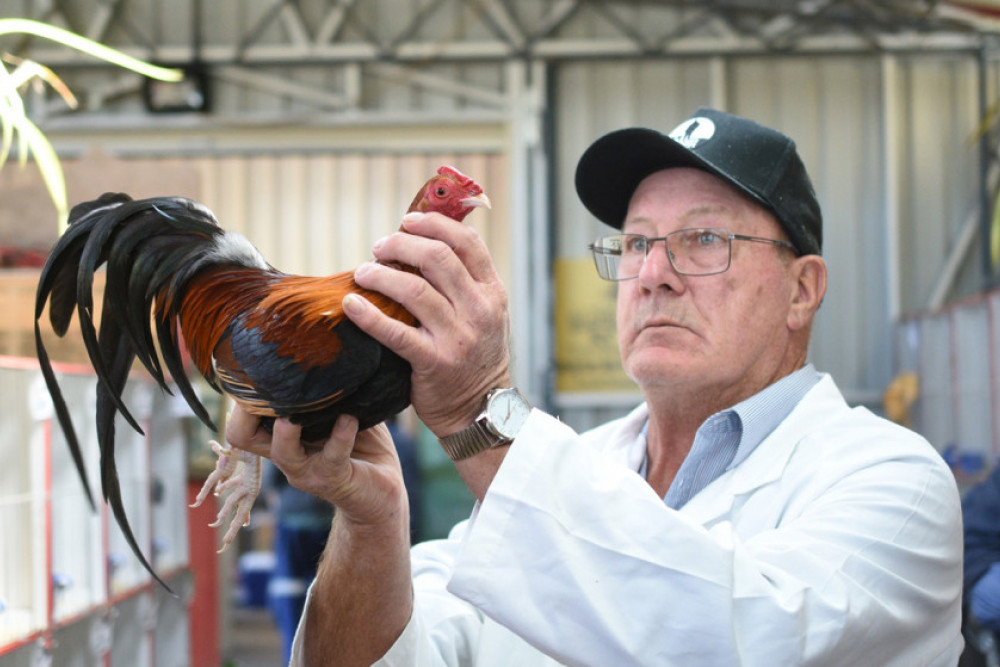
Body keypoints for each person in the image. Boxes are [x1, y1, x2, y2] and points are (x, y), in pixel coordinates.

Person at [227, 107, 964, 665]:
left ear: (803, 290)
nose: (653, 272)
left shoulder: (893, 485)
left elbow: (738, 638)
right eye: (638, 241)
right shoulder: (576, 465)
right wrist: (373, 519)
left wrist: (480, 411)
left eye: (704, 239)